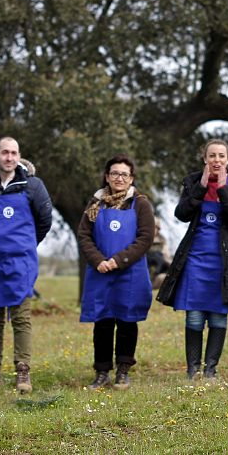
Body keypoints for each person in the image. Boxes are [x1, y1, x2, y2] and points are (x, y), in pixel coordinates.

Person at [157, 140, 228, 379]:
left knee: (219, 315)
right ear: (205, 159)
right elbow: (181, 214)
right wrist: (200, 188)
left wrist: (223, 189)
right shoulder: (192, 181)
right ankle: (193, 369)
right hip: (195, 260)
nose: (216, 160)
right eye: (212, 156)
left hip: (225, 261)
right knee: (195, 316)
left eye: (221, 156)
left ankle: (210, 369)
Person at [0, 136, 53, 393]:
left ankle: (23, 373)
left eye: (14, 153)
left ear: (19, 156)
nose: (9, 157)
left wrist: (25, 244)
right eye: (5, 152)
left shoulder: (33, 186)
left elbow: (44, 221)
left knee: (21, 317)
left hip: (21, 262)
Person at [78, 154, 155, 390]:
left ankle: (123, 370)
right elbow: (84, 236)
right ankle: (101, 372)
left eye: (124, 174)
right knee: (102, 322)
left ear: (131, 178)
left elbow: (145, 238)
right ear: (107, 177)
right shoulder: (95, 204)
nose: (119, 178)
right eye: (114, 173)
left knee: (127, 321)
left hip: (129, 273)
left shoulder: (140, 203)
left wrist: (118, 260)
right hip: (100, 272)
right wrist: (99, 260)